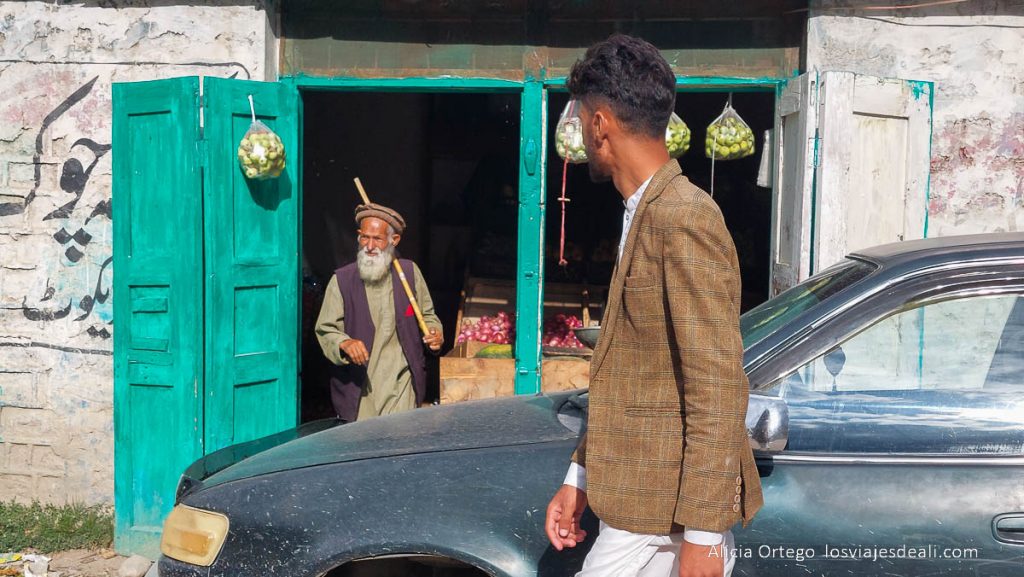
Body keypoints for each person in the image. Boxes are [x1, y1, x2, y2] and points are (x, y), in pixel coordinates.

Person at [543, 34, 763, 577]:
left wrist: (705, 537)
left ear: (600, 125)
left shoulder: (683, 215)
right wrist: (580, 479)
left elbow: (716, 383)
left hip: (664, 529)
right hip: (635, 515)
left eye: (581, 117)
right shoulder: (643, 210)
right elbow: (634, 374)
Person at [315, 202, 444, 422]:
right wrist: (345, 343)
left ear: (393, 241)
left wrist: (435, 334)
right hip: (361, 390)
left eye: (377, 239)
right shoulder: (342, 280)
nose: (370, 246)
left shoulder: (410, 273)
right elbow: (326, 329)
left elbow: (428, 315)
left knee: (400, 448)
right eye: (365, 237)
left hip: (401, 385)